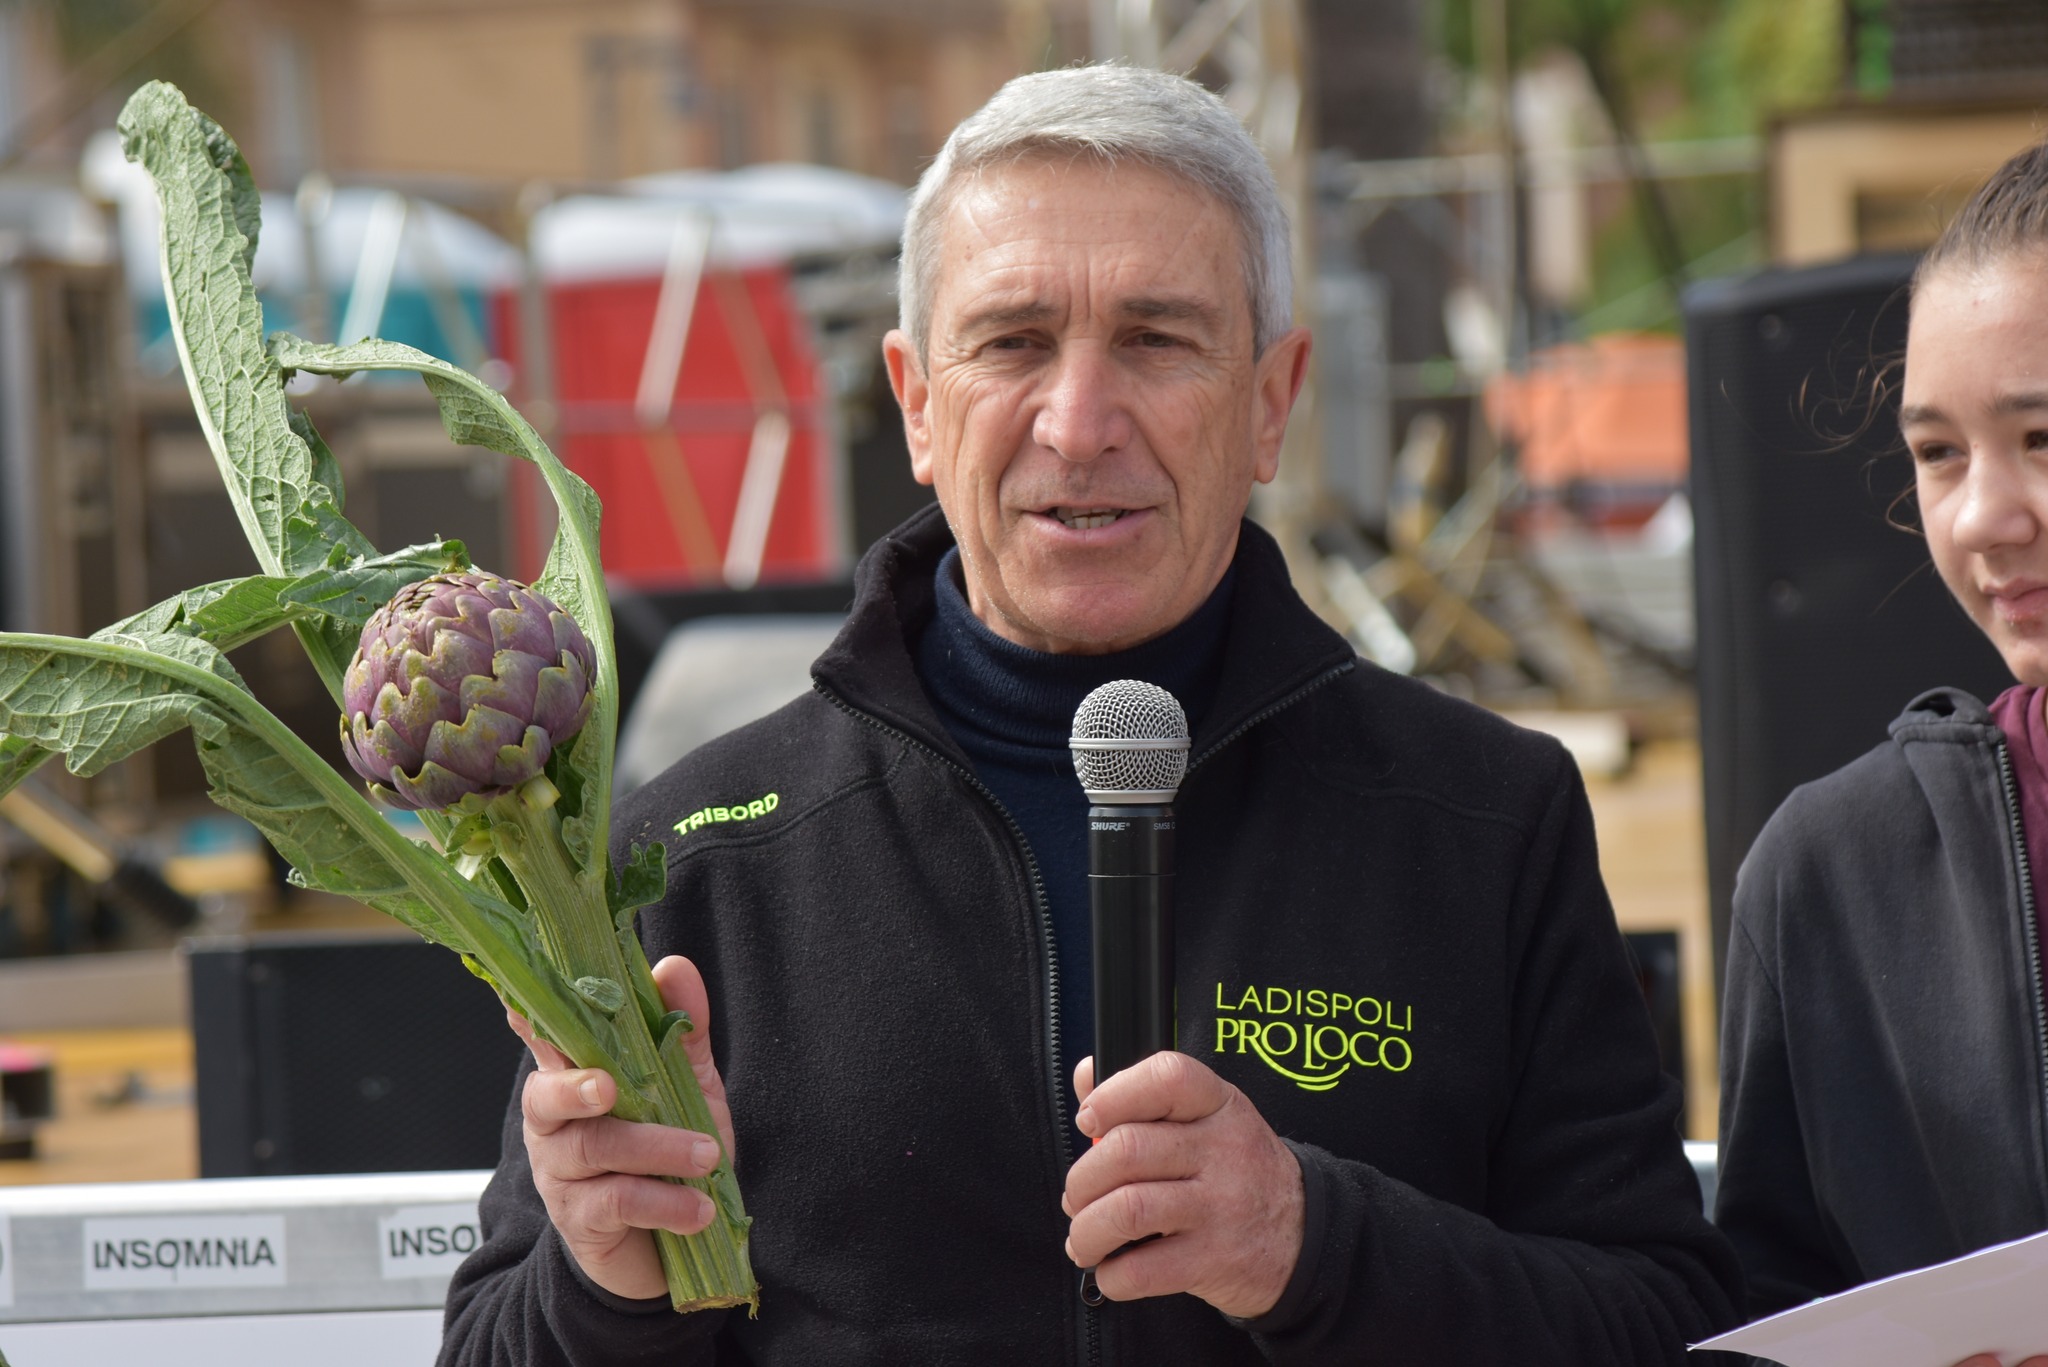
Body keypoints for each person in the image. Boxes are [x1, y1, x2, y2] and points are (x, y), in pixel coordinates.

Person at [440, 63, 1739, 1365]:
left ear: (1271, 402)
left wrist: (1313, 1244)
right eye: (1011, 342)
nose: (1078, 422)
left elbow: (1667, 1322)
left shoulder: (1485, 820)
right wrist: (606, 1283)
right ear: (917, 404)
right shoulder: (693, 863)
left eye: (1156, 340)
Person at [1715, 139, 2048, 1367]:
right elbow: (1762, 1310)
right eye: (1936, 451)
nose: (1982, 517)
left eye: (2040, 435)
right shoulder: (1827, 876)